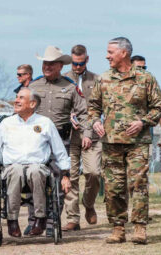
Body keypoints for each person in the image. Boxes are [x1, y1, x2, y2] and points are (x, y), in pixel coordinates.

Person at [88, 37, 161, 244]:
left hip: (137, 143)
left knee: (137, 184)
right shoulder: (103, 79)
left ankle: (139, 227)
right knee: (114, 187)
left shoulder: (145, 78)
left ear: (124, 53)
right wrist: (95, 120)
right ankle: (118, 228)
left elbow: (158, 108)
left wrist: (143, 122)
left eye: (110, 52)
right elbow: (93, 106)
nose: (107, 56)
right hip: (111, 142)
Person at [0, 87, 71, 237]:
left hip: (38, 168)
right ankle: (12, 220)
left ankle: (40, 218)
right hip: (12, 167)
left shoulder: (45, 123)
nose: (16, 100)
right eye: (17, 97)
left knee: (35, 170)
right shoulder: (6, 124)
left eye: (21, 98)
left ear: (33, 103)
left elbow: (60, 150)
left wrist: (66, 175)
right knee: (16, 171)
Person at [28, 45, 92, 237]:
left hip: (61, 141)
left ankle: (51, 221)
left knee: (59, 181)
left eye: (51, 64)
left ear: (59, 65)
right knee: (33, 179)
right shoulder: (33, 86)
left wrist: (87, 132)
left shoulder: (69, 87)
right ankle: (34, 221)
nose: (47, 66)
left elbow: (83, 113)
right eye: (44, 63)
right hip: (36, 142)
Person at [62, 44, 102, 231]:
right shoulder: (63, 80)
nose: (77, 67)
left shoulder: (97, 80)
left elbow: (102, 105)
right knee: (70, 175)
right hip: (69, 136)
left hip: (91, 135)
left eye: (81, 63)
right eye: (74, 64)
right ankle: (73, 217)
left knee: (94, 173)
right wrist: (69, 115)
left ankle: (88, 202)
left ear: (87, 60)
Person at [131, 55, 161, 150]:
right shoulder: (119, 83)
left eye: (144, 68)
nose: (142, 70)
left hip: (143, 138)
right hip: (120, 138)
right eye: (138, 68)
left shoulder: (150, 85)